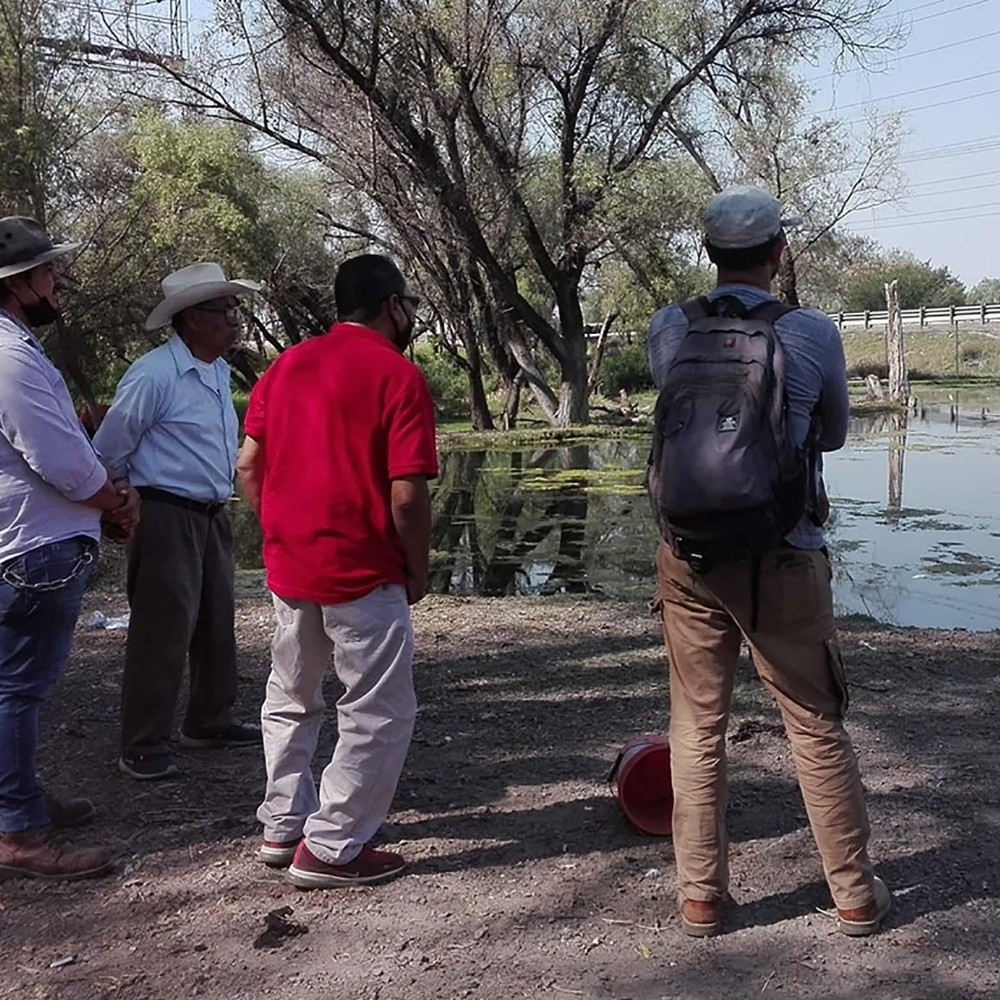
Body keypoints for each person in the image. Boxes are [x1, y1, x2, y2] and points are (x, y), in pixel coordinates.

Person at [647, 186, 891, 937]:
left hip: (688, 556)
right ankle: (853, 895)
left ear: (710, 253)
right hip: (787, 553)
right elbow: (838, 434)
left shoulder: (668, 327)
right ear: (778, 250)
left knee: (696, 727)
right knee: (815, 723)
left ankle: (701, 898)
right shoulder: (812, 331)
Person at [236, 254, 437, 888]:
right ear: (391, 307)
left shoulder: (285, 366)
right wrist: (418, 567)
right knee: (378, 708)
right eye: (407, 306)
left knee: (291, 695)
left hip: (291, 567)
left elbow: (248, 467)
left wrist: (281, 530)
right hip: (363, 569)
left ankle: (282, 824)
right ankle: (331, 846)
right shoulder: (398, 377)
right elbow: (406, 495)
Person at [0, 216, 139, 879]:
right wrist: (111, 498)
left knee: (11, 688)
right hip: (34, 544)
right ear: (19, 283)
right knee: (17, 691)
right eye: (48, 271)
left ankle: (17, 800)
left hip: (24, 539)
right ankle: (19, 831)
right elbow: (58, 457)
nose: (57, 280)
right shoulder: (9, 355)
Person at [93, 263, 262, 781]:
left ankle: (208, 721)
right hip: (165, 512)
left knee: (216, 621)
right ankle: (143, 744)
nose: (234, 320)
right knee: (162, 631)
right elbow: (109, 450)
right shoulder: (154, 375)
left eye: (235, 309)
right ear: (190, 318)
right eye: (223, 311)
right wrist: (123, 506)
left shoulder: (214, 369)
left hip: (211, 514)